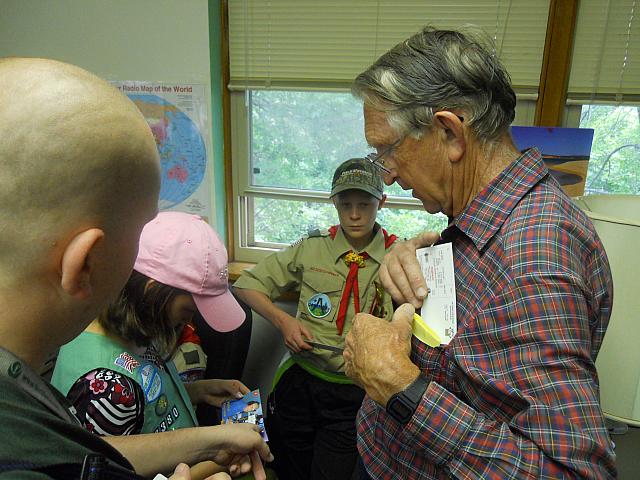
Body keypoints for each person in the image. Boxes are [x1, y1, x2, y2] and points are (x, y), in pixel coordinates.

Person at [341, 26, 617, 479]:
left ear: (450, 133)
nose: (386, 176)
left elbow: (570, 472)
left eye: (388, 151)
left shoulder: (536, 257)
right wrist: (414, 262)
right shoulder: (486, 217)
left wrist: (400, 387)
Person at [0, 57, 271, 480]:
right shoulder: (101, 383)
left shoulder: (31, 379)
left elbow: (85, 451)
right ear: (86, 262)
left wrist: (206, 429)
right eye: (139, 230)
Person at [51, 210, 270, 479]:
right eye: (190, 309)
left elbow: (146, 400)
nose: (192, 319)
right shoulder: (106, 387)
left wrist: (197, 391)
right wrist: (221, 457)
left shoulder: (134, 328)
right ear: (152, 291)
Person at [233, 158, 397, 480]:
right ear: (333, 201)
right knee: (287, 465)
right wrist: (283, 322)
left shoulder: (397, 256)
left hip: (355, 392)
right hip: (301, 381)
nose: (354, 214)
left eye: (365, 204)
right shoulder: (312, 247)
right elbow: (246, 285)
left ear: (382, 202)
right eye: (345, 203)